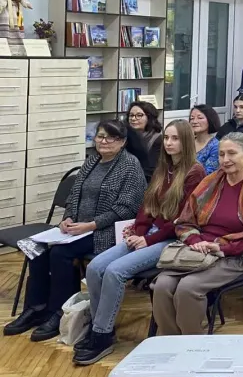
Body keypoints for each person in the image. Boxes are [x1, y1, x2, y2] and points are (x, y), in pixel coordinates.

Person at [76, 120, 205, 364]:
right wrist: (139, 231)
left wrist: (148, 238)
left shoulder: (194, 172)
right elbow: (147, 206)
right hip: (149, 234)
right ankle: (99, 326)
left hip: (172, 238)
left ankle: (101, 335)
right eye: (166, 138)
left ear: (186, 141)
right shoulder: (163, 167)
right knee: (94, 268)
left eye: (175, 138)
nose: (168, 143)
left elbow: (182, 219)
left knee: (115, 272)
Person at [4, 120, 146, 341]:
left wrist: (91, 225)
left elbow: (126, 208)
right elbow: (73, 196)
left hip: (105, 231)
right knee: (36, 248)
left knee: (60, 253)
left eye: (111, 137)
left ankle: (59, 312)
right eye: (100, 136)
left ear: (123, 142)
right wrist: (67, 218)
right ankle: (36, 308)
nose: (104, 141)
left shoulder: (130, 166)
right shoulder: (91, 161)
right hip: (76, 228)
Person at [152, 133, 243, 335]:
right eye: (221, 154)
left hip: (233, 254)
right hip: (196, 250)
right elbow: (185, 221)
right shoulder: (209, 183)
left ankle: (192, 344)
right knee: (162, 285)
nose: (225, 159)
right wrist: (195, 240)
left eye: (232, 153)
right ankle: (169, 340)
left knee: (188, 287)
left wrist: (220, 247)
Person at [128, 100, 162, 180]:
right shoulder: (126, 136)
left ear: (149, 117)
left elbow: (151, 170)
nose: (133, 118)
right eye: (131, 115)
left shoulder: (158, 139)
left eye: (139, 115)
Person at [190, 104, 221, 175]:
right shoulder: (187, 142)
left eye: (200, 118)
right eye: (192, 118)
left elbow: (209, 174)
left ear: (210, 120)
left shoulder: (216, 146)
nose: (194, 121)